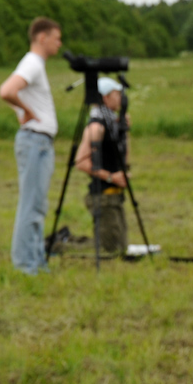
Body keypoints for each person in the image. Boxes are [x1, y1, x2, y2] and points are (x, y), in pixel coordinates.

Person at [0, 17, 62, 275]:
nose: (60, 43)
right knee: (31, 205)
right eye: (57, 37)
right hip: (35, 141)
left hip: (39, 142)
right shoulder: (33, 63)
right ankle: (26, 265)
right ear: (42, 37)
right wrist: (28, 113)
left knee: (37, 204)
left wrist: (23, 110)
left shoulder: (34, 64)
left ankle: (36, 261)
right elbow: (7, 90)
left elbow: (14, 94)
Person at [76, 76, 130, 256]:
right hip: (103, 196)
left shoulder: (113, 123)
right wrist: (110, 177)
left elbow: (123, 159)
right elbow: (81, 162)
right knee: (110, 250)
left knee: (120, 246)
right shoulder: (96, 127)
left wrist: (125, 132)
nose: (121, 98)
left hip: (115, 196)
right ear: (105, 97)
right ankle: (59, 244)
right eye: (117, 94)